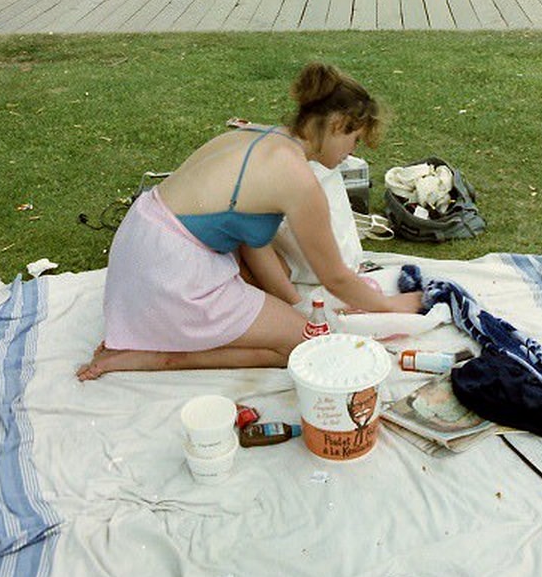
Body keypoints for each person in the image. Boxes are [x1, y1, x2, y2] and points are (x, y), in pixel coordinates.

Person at [76, 63, 424, 379]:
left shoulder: (256, 135)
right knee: (307, 344)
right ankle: (148, 355)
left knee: (282, 305)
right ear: (335, 126)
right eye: (355, 139)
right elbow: (336, 277)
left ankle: (154, 334)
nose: (353, 152)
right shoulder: (297, 178)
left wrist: (288, 302)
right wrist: (390, 305)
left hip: (140, 248)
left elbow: (249, 238)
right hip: (169, 275)